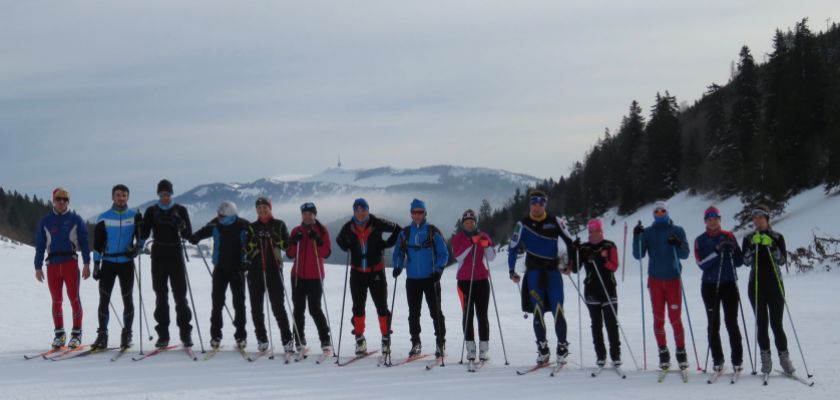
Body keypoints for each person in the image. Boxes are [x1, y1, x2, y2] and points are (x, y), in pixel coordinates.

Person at [508, 190, 576, 365]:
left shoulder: (555, 221)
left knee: (558, 309)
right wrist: (511, 271)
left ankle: (562, 347)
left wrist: (571, 265)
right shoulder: (521, 224)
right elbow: (513, 247)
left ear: (544, 204)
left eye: (540, 203)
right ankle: (543, 349)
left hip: (553, 273)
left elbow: (570, 241)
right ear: (530, 204)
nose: (537, 206)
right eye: (534, 202)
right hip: (534, 274)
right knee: (537, 311)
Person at [335, 198, 401, 356]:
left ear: (367, 209)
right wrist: (347, 246)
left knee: (381, 306)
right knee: (358, 307)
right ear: (354, 211)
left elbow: (397, 229)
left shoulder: (376, 222)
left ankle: (386, 339)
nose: (360, 212)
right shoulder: (349, 226)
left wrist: (386, 244)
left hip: (376, 272)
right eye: (357, 210)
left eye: (363, 209)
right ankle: (359, 339)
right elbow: (339, 240)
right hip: (357, 272)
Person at [632, 200, 690, 371]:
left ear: (667, 212)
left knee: (675, 318)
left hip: (673, 279)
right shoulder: (648, 232)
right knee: (658, 319)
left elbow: (685, 254)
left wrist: (678, 243)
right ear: (653, 214)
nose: (659, 214)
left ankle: (681, 352)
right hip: (655, 280)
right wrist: (637, 237)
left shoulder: (677, 230)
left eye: (662, 211)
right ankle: (663, 353)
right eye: (656, 212)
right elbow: (638, 255)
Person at [139, 179, 194, 349]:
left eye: (167, 194)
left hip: (175, 254)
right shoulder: (151, 211)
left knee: (180, 297)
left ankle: (185, 333)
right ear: (158, 194)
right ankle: (163, 335)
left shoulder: (180, 210)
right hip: (158, 255)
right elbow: (145, 234)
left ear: (171, 194)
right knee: (160, 297)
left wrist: (181, 224)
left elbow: (187, 234)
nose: (164, 197)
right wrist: (139, 225)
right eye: (162, 194)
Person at [34, 187, 91, 349]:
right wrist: (37, 267)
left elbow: (85, 243)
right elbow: (40, 245)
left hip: (70, 263)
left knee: (74, 299)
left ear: (68, 202)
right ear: (53, 200)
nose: (61, 202)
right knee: (56, 301)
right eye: (59, 199)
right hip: (52, 265)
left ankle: (76, 334)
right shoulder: (45, 221)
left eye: (65, 200)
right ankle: (59, 334)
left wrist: (87, 263)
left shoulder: (75, 219)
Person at [742, 205, 795, 375]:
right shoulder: (749, 237)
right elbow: (746, 261)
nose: (757, 221)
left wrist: (771, 246)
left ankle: (784, 359)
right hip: (756, 285)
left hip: (775, 285)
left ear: (767, 218)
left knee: (776, 324)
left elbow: (782, 261)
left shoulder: (777, 236)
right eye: (754, 218)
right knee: (762, 324)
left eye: (760, 217)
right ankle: (766, 359)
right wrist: (752, 247)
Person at [393, 199, 449, 359]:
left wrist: (438, 270)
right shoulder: (405, 233)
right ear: (411, 214)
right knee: (413, 313)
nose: (417, 215)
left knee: (436, 312)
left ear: (425, 213)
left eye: (420, 212)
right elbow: (398, 252)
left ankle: (440, 343)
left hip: (431, 278)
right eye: (414, 212)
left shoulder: (432, 231)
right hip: (412, 280)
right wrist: (397, 266)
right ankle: (415, 343)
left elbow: (443, 253)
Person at [190, 201, 250, 350]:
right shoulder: (216, 223)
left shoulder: (243, 225)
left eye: (222, 215)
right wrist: (191, 236)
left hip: (238, 270)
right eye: (218, 214)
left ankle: (241, 336)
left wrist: (247, 261)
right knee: (217, 304)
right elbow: (200, 234)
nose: (219, 217)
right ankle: (215, 336)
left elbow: (251, 244)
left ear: (231, 215)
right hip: (220, 269)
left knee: (239, 304)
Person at [91, 184, 142, 350]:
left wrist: (136, 249)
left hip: (126, 264)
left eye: (124, 195)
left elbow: (141, 239)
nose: (121, 198)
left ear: (127, 198)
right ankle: (102, 334)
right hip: (108, 263)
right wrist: (96, 264)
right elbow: (97, 243)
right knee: (104, 299)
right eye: (118, 195)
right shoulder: (104, 217)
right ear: (113, 197)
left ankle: (126, 334)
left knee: (128, 299)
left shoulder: (135, 216)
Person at [694, 206, 744, 373]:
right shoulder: (700, 240)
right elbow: (701, 264)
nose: (712, 220)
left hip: (729, 283)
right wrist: (716, 251)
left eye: (715, 217)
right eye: (709, 218)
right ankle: (718, 359)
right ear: (705, 221)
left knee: (731, 321)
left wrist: (733, 249)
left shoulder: (729, 236)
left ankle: (737, 359)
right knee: (713, 323)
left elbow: (738, 262)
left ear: (719, 219)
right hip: (709, 285)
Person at [243, 197, 295, 354]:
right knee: (256, 307)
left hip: (274, 269)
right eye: (259, 208)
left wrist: (273, 237)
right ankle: (262, 339)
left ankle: (287, 339)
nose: (262, 210)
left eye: (265, 207)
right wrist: (257, 240)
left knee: (278, 306)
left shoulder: (279, 224)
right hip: (255, 270)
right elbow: (247, 248)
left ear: (270, 208)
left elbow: (287, 245)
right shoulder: (252, 227)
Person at [572, 218, 621, 368]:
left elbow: (614, 266)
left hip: (608, 289)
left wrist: (601, 259)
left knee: (611, 323)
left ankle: (615, 355)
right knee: (596, 324)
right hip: (592, 290)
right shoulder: (584, 248)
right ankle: (601, 355)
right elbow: (575, 268)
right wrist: (574, 251)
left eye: (597, 231)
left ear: (601, 231)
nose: (594, 234)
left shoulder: (609, 245)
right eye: (591, 231)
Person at [287, 202, 333, 355]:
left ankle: (325, 340)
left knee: (315, 308)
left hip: (315, 276)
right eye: (304, 214)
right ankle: (299, 340)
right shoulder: (296, 231)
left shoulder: (322, 230)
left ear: (315, 215)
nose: (307, 216)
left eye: (310, 214)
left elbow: (326, 252)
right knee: (298, 308)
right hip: (297, 276)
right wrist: (294, 241)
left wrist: (318, 240)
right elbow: (290, 254)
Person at [451, 209, 495, 362]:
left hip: (482, 280)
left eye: (472, 222)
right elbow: (458, 256)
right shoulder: (458, 238)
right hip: (464, 281)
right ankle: (470, 349)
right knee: (468, 315)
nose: (469, 225)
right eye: (466, 222)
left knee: (482, 315)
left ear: (475, 223)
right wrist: (471, 242)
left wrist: (487, 244)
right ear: (463, 224)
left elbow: (492, 257)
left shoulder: (483, 235)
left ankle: (483, 349)